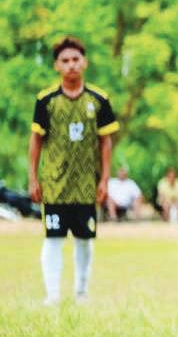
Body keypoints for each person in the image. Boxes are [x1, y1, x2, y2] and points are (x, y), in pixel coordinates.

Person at [28, 37, 120, 304]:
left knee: (84, 239)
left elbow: (106, 141)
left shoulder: (99, 100)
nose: (71, 65)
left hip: (85, 184)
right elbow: (36, 140)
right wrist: (33, 177)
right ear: (57, 65)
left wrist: (104, 179)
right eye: (65, 60)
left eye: (75, 60)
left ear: (85, 62)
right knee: (53, 238)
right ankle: (53, 296)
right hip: (54, 184)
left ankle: (81, 292)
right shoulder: (46, 100)